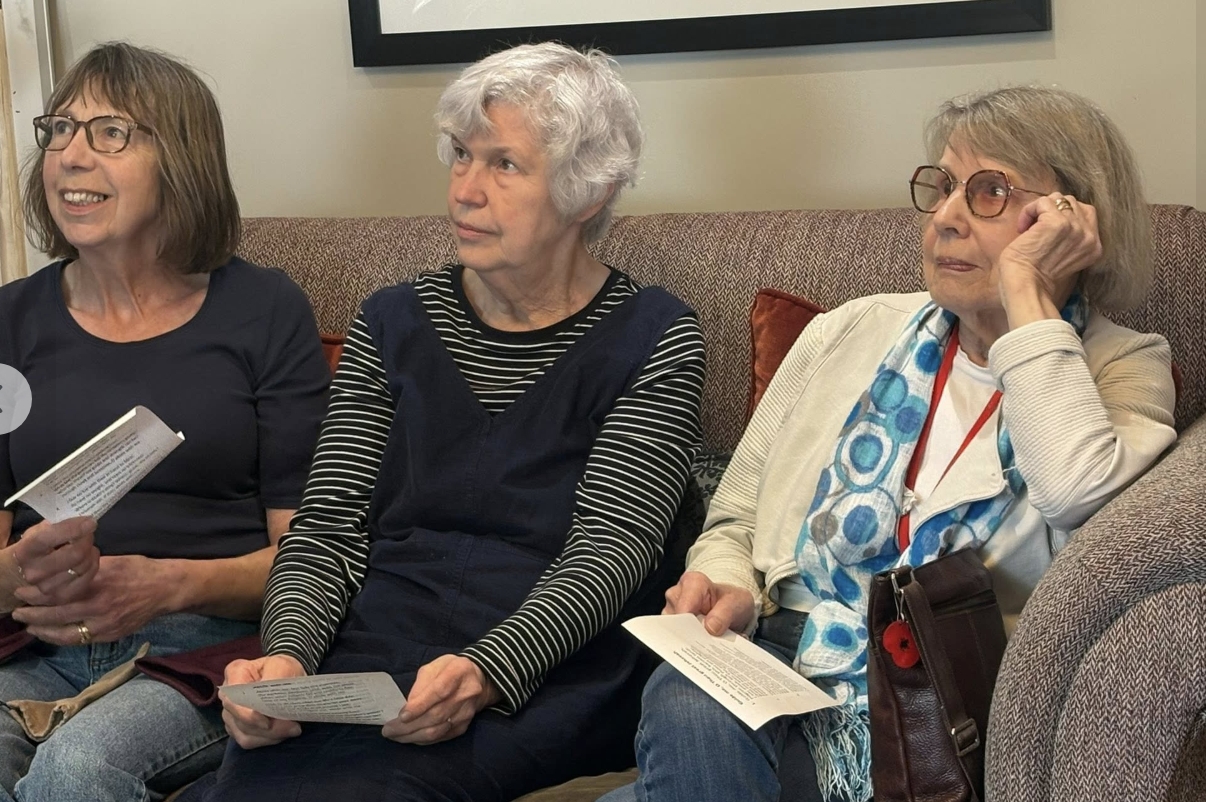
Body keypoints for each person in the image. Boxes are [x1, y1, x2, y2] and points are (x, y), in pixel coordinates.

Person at [601, 85, 1178, 802]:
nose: (946, 218)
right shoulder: (847, 330)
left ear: (1074, 224)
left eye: (990, 193)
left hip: (936, 700)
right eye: (944, 187)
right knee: (683, 695)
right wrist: (730, 586)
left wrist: (1028, 295)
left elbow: (1072, 492)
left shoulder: (1123, 367)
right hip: (781, 653)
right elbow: (737, 518)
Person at [193, 42, 706, 802]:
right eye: (461, 155)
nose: (464, 190)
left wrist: (489, 670)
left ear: (587, 192)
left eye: (505, 165)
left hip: (556, 663)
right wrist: (290, 659)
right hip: (375, 648)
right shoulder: (390, 321)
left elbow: (611, 552)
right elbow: (328, 527)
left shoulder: (656, 336)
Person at [0, 42, 329, 802]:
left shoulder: (264, 311)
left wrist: (167, 586)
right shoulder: (9, 322)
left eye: (111, 132)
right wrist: (16, 575)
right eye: (61, 128)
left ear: (180, 160)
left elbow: (314, 555)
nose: (71, 155)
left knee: (77, 773)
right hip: (34, 644)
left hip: (205, 651)